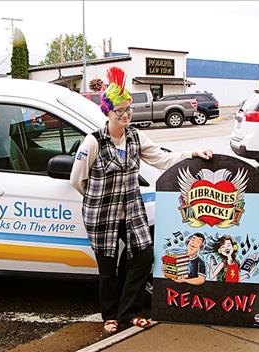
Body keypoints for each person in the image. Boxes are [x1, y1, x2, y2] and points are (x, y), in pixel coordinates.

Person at [70, 67, 213, 334]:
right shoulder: (93, 142)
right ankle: (110, 316)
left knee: (144, 256)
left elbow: (162, 158)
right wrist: (98, 199)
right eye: (119, 111)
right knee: (108, 268)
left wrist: (193, 152)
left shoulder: (136, 137)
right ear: (107, 111)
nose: (125, 115)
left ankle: (127, 313)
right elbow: (77, 180)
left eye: (128, 109)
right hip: (101, 216)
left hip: (132, 212)